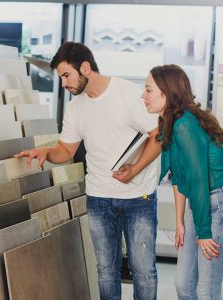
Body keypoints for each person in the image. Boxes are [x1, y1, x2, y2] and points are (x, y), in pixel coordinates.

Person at [16, 42, 161, 300]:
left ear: (85, 67)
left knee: (144, 272)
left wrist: (136, 169)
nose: (63, 84)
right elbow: (66, 150)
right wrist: (46, 152)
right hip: (98, 198)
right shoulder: (75, 108)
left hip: (139, 198)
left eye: (66, 75)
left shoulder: (127, 93)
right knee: (106, 271)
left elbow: (158, 135)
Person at [142, 64, 223, 300]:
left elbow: (198, 179)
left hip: (215, 201)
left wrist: (204, 231)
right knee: (183, 285)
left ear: (166, 92)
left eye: (148, 90)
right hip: (199, 202)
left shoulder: (185, 125)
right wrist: (179, 221)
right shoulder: (168, 122)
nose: (143, 96)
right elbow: (179, 175)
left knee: (206, 289)